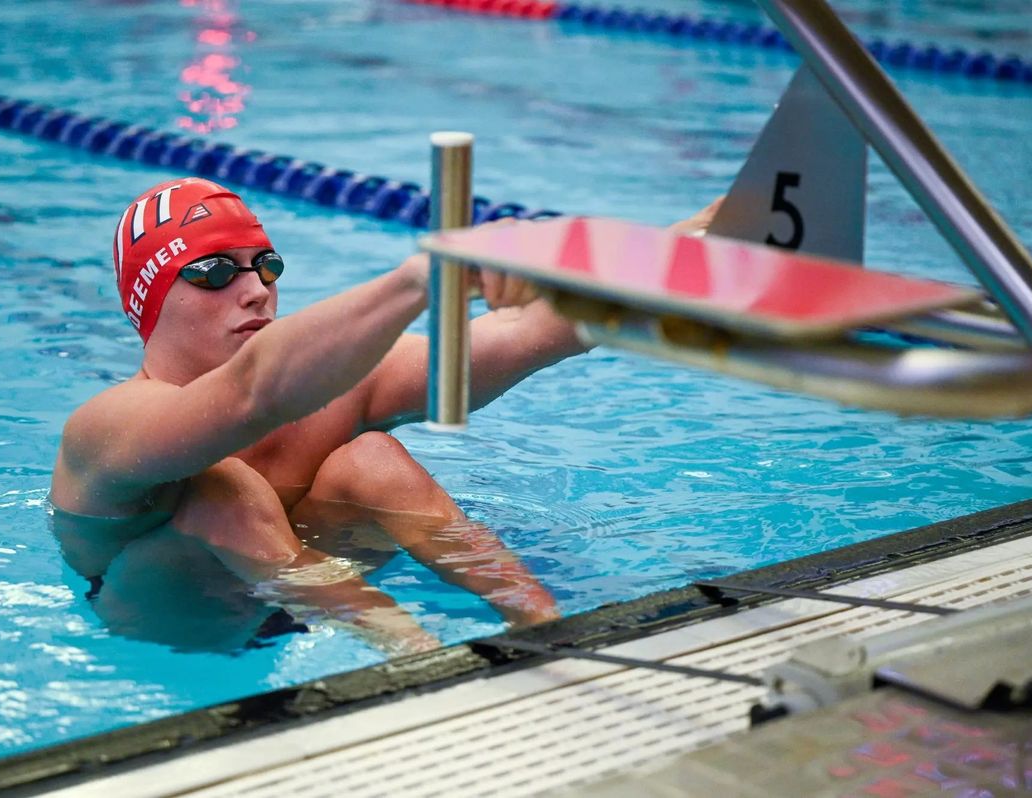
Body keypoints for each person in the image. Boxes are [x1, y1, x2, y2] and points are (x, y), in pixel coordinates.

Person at [50, 176, 718, 654]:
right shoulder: (107, 427)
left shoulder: (332, 384)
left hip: (309, 590)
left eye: (267, 266)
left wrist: (704, 239)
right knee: (223, 489)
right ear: (150, 296)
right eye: (214, 271)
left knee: (370, 459)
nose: (255, 291)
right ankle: (419, 662)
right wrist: (422, 279)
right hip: (178, 626)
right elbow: (252, 394)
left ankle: (545, 629)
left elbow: (520, 335)